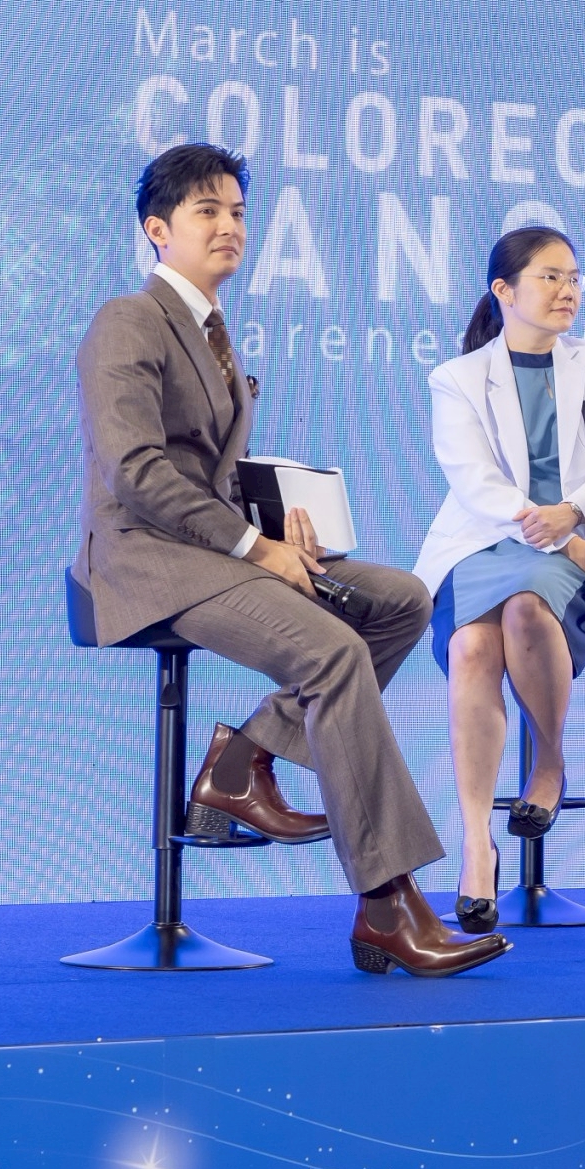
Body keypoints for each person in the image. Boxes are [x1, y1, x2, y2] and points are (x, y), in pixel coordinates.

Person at [73, 143, 510, 975]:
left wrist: (278, 530)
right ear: (157, 230)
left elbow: (209, 474)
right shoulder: (128, 320)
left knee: (400, 599)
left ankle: (244, 761)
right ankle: (388, 905)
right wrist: (252, 545)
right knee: (333, 651)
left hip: (209, 550)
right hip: (143, 562)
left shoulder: (213, 331)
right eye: (207, 211)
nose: (230, 226)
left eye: (238, 211)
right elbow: (136, 472)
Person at [412, 227, 585, 933]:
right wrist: (565, 540)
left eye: (574, 278)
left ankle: (549, 762)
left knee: (523, 610)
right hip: (482, 543)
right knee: (470, 648)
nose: (567, 290)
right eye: (550, 277)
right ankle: (476, 847)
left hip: (565, 550)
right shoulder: (457, 378)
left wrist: (573, 517)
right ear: (504, 291)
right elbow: (478, 486)